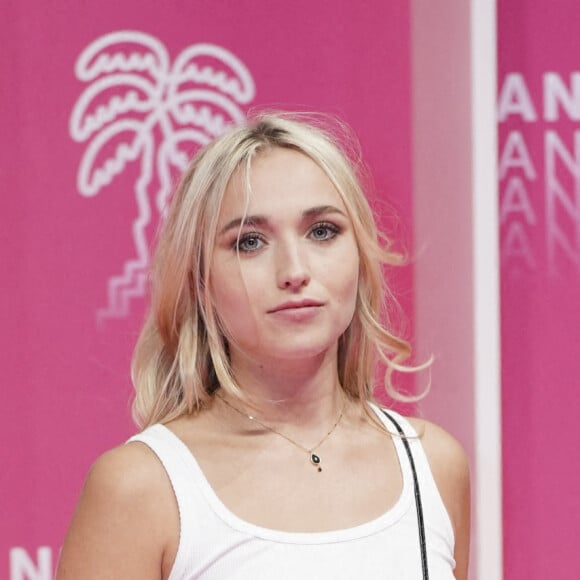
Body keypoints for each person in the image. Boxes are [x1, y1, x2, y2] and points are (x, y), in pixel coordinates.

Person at [56, 113, 470, 579]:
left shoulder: (433, 465)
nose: (294, 269)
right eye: (249, 242)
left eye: (322, 231)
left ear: (361, 254)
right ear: (198, 281)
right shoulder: (140, 487)